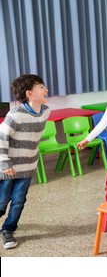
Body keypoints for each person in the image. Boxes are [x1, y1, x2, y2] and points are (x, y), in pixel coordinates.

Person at [0, 74, 51, 249]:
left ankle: (8, 230)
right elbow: (1, 137)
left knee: (19, 200)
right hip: (8, 167)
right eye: (42, 87)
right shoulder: (15, 115)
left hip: (28, 166)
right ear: (30, 93)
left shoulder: (45, 112)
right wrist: (5, 163)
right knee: (2, 201)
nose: (46, 90)